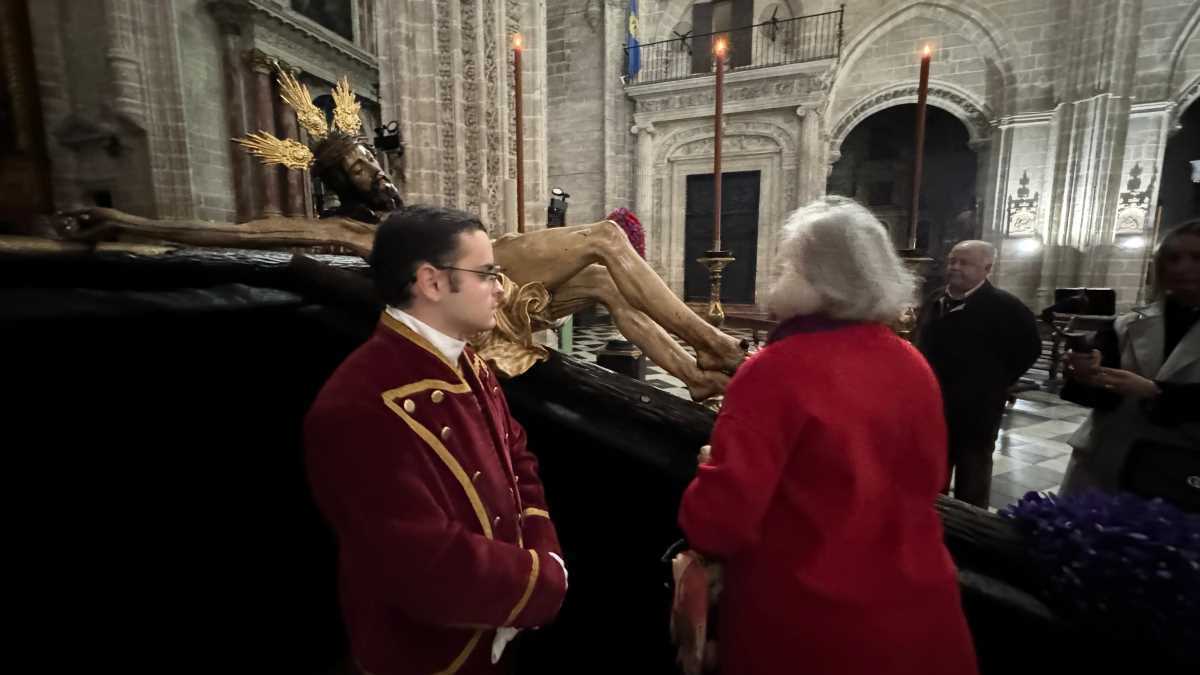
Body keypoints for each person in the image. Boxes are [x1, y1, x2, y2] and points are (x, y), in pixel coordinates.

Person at [55, 72, 743, 401]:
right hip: (480, 278)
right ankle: (720, 349)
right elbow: (238, 230)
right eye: (358, 167)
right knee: (601, 239)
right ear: (344, 186)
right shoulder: (351, 229)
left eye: (371, 159)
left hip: (490, 264)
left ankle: (693, 376)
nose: (373, 171)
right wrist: (131, 223)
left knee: (598, 278)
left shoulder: (399, 201)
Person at [677, 197, 978, 675]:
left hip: (810, 625)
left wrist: (708, 474)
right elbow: (928, 477)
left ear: (808, 275)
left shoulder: (777, 369)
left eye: (784, 264)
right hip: (921, 616)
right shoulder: (911, 363)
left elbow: (719, 523)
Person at [304, 206, 568, 675]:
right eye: (486, 273)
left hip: (496, 626)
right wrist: (539, 584)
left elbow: (519, 463)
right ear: (431, 282)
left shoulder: (470, 364)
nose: (501, 288)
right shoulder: (358, 402)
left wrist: (543, 555)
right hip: (428, 655)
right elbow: (422, 563)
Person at [1060, 220, 1200, 498]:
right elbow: (1098, 396)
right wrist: (1085, 373)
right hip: (1108, 461)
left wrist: (1155, 392)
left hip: (1181, 470)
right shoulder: (1128, 323)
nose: (1182, 267)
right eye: (1173, 258)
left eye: (1197, 258)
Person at [914, 240, 1041, 508]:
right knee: (932, 478)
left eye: (965, 262)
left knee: (972, 481)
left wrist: (996, 381)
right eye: (952, 261)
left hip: (977, 411)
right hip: (934, 406)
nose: (955, 267)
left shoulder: (1006, 308)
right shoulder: (936, 299)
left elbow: (1029, 348)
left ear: (987, 268)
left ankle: (970, 540)